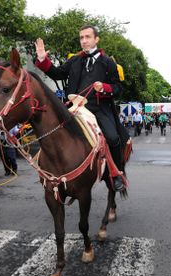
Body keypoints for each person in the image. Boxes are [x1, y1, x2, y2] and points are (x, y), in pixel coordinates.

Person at [34, 25, 129, 191]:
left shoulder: (108, 63)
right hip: (75, 108)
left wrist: (105, 88)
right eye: (81, 38)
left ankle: (116, 173)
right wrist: (43, 60)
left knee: (113, 138)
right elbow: (57, 73)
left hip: (99, 109)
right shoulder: (75, 60)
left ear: (96, 39)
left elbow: (118, 88)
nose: (84, 41)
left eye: (87, 37)